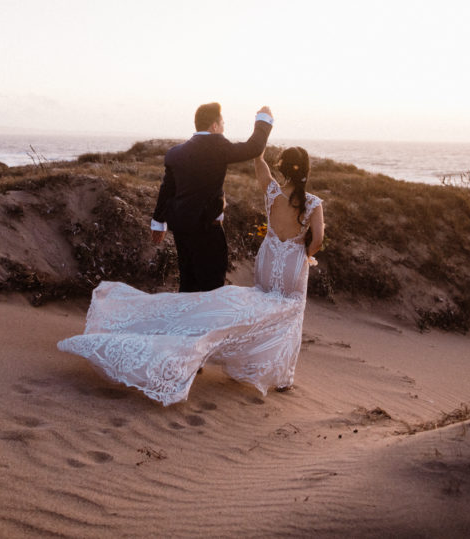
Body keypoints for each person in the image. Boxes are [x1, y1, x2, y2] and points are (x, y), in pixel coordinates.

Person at [58, 145, 325, 406]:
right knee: (287, 314)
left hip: (268, 256)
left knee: (259, 304)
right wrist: (305, 255)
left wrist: (262, 135)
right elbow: (318, 240)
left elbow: (259, 163)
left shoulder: (272, 192)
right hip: (292, 259)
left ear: (283, 168)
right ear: (306, 170)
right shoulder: (312, 203)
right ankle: (278, 377)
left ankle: (249, 365)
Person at [150, 103, 274, 292]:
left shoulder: (176, 153)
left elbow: (167, 190)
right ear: (214, 126)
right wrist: (263, 120)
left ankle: (186, 321)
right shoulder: (217, 146)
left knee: (188, 284)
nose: (224, 128)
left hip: (182, 230)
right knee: (212, 287)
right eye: (222, 124)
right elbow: (254, 148)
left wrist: (158, 223)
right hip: (207, 231)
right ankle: (202, 321)